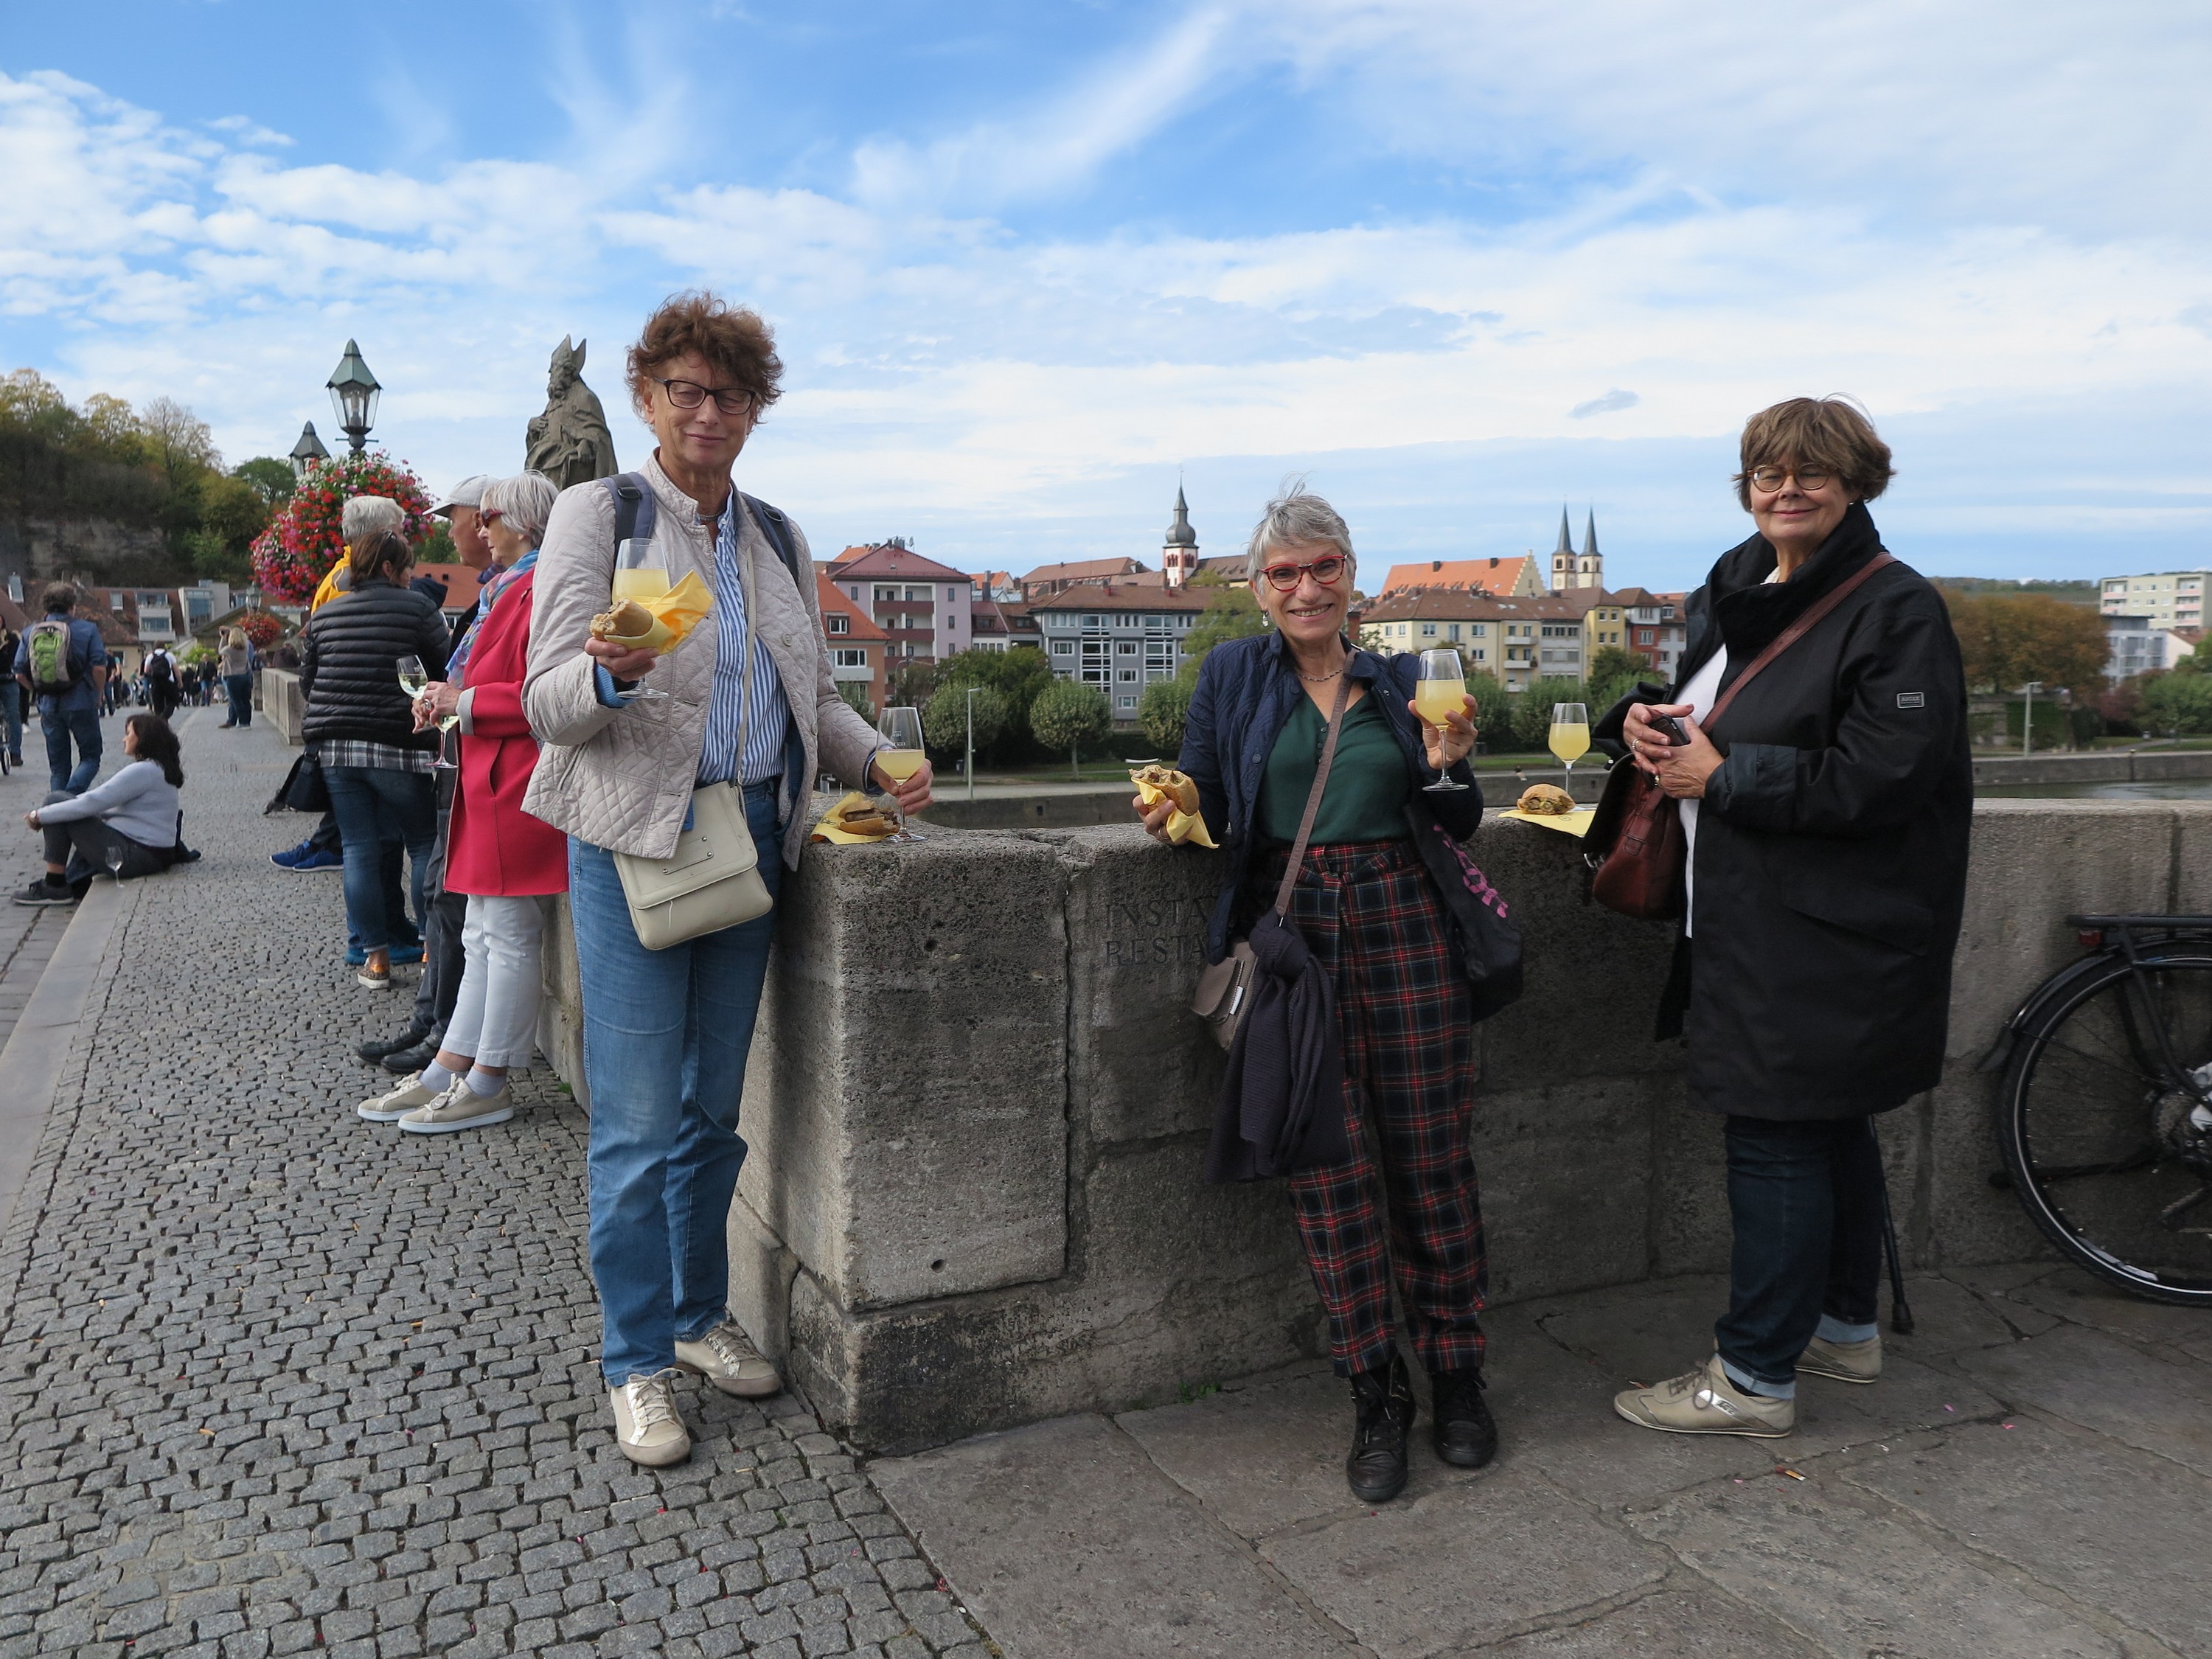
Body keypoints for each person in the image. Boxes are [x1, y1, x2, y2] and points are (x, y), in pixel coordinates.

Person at [523, 291, 933, 1466]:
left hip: (756, 834)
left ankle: (699, 1315)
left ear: (758, 410)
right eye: (685, 391)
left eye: (732, 394)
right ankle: (637, 1360)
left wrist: (877, 757)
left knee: (712, 1110)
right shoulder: (598, 514)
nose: (708, 412)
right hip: (636, 838)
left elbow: (811, 698)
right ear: (648, 399)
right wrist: (605, 673)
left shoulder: (782, 537)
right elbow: (550, 698)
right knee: (639, 1120)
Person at [1604, 397, 1972, 1438]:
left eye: (1811, 470)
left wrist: (1728, 772)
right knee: (1830, 1121)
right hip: (1768, 915)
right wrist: (1639, 717)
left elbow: (1887, 775)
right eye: (1767, 470)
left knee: (1774, 1132)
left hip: (1823, 929)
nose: (1785, 488)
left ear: (1856, 482)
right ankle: (1842, 1328)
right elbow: (1720, 708)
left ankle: (1754, 1375)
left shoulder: (1895, 608)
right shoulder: (1742, 589)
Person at [1139, 485, 1498, 1504]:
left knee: (1433, 1157)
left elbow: (1457, 820)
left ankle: (1460, 1375)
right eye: (1285, 573)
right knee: (1329, 1169)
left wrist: (1451, 767)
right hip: (1297, 944)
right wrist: (1172, 810)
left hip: (1407, 924)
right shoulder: (1234, 674)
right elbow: (1205, 799)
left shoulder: (1403, 678)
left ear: (1351, 576)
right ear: (1259, 589)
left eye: (1323, 567)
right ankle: (1375, 1388)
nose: (1305, 587)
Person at [358, 471, 566, 1133]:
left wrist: (461, 702)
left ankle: (489, 1079)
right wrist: (449, 703)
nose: (481, 526)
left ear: (526, 523)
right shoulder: (511, 587)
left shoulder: (538, 589)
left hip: (513, 775)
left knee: (503, 934)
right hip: (488, 773)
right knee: (482, 931)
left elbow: (546, 696)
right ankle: (452, 1069)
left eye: (492, 516)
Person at [358, 475, 494, 1074]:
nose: (457, 529)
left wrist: (449, 698)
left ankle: (442, 1033)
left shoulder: (514, 591)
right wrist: (443, 696)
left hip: (476, 767)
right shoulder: (486, 595)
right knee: (439, 895)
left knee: (448, 899)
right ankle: (429, 1024)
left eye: (459, 517)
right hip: (452, 759)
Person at [300, 529, 449, 992]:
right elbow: (445, 670)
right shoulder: (420, 608)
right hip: (399, 743)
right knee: (424, 842)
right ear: (389, 568)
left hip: (336, 748)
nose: (411, 575)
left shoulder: (325, 615)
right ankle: (430, 950)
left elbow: (309, 683)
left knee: (359, 850)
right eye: (407, 567)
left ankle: (377, 961)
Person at [274, 497, 408, 874]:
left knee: (356, 821)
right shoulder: (353, 580)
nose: (402, 541)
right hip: (368, 715)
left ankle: (322, 847)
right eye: (397, 532)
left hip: (336, 711)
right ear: (379, 535)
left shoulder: (337, 575)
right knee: (378, 834)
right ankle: (325, 848)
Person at [15, 713, 183, 904]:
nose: (124, 739)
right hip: (152, 853)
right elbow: (98, 804)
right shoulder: (156, 768)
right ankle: (56, 883)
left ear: (143, 738)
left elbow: (93, 802)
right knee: (59, 805)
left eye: (129, 733)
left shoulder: (143, 771)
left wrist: (41, 815)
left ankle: (55, 886)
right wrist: (51, 813)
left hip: (139, 855)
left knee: (54, 802)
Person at [15, 582, 108, 793]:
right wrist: (98, 692)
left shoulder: (30, 632)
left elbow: (19, 673)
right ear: (72, 606)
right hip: (82, 701)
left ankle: (56, 815)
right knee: (91, 757)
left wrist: (38, 690)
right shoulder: (87, 630)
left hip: (49, 705)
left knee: (58, 768)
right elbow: (99, 669)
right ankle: (67, 800)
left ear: (46, 606)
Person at [218, 627, 256, 728]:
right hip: (245, 675)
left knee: (236, 701)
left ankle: (243, 723)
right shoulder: (246, 647)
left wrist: (223, 637)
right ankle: (246, 721)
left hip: (233, 676)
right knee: (245, 700)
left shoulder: (229, 650)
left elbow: (220, 651)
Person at [0, 623, 23, 768]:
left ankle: (15, 753)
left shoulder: (11, 638)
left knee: (13, 715)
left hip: (9, 681)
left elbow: (19, 659)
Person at [144, 645, 180, 720]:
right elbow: (176, 670)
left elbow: (146, 671)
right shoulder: (169, 655)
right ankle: (165, 716)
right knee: (171, 701)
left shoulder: (150, 656)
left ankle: (159, 721)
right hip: (168, 681)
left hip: (156, 682)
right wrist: (180, 681)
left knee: (157, 703)